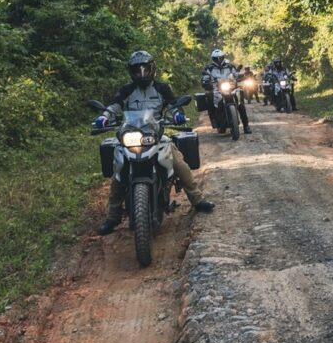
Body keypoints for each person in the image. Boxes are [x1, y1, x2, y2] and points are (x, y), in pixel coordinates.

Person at [94, 50, 215, 235]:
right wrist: (104, 117)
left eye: (145, 69)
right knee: (118, 173)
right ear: (131, 71)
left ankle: (197, 200)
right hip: (130, 136)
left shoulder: (162, 88)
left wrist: (178, 114)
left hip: (156, 135)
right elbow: (114, 105)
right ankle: (113, 217)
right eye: (137, 70)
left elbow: (174, 104)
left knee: (179, 164)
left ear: (152, 69)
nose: (141, 73)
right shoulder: (126, 90)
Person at [200, 48, 251, 134]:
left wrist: (240, 76)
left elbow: (235, 74)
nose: (218, 60)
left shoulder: (230, 66)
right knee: (210, 96)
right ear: (213, 59)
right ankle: (214, 119)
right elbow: (205, 77)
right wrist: (206, 81)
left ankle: (246, 126)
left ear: (223, 57)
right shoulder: (209, 68)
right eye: (216, 58)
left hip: (231, 88)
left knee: (240, 104)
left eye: (220, 57)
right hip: (217, 89)